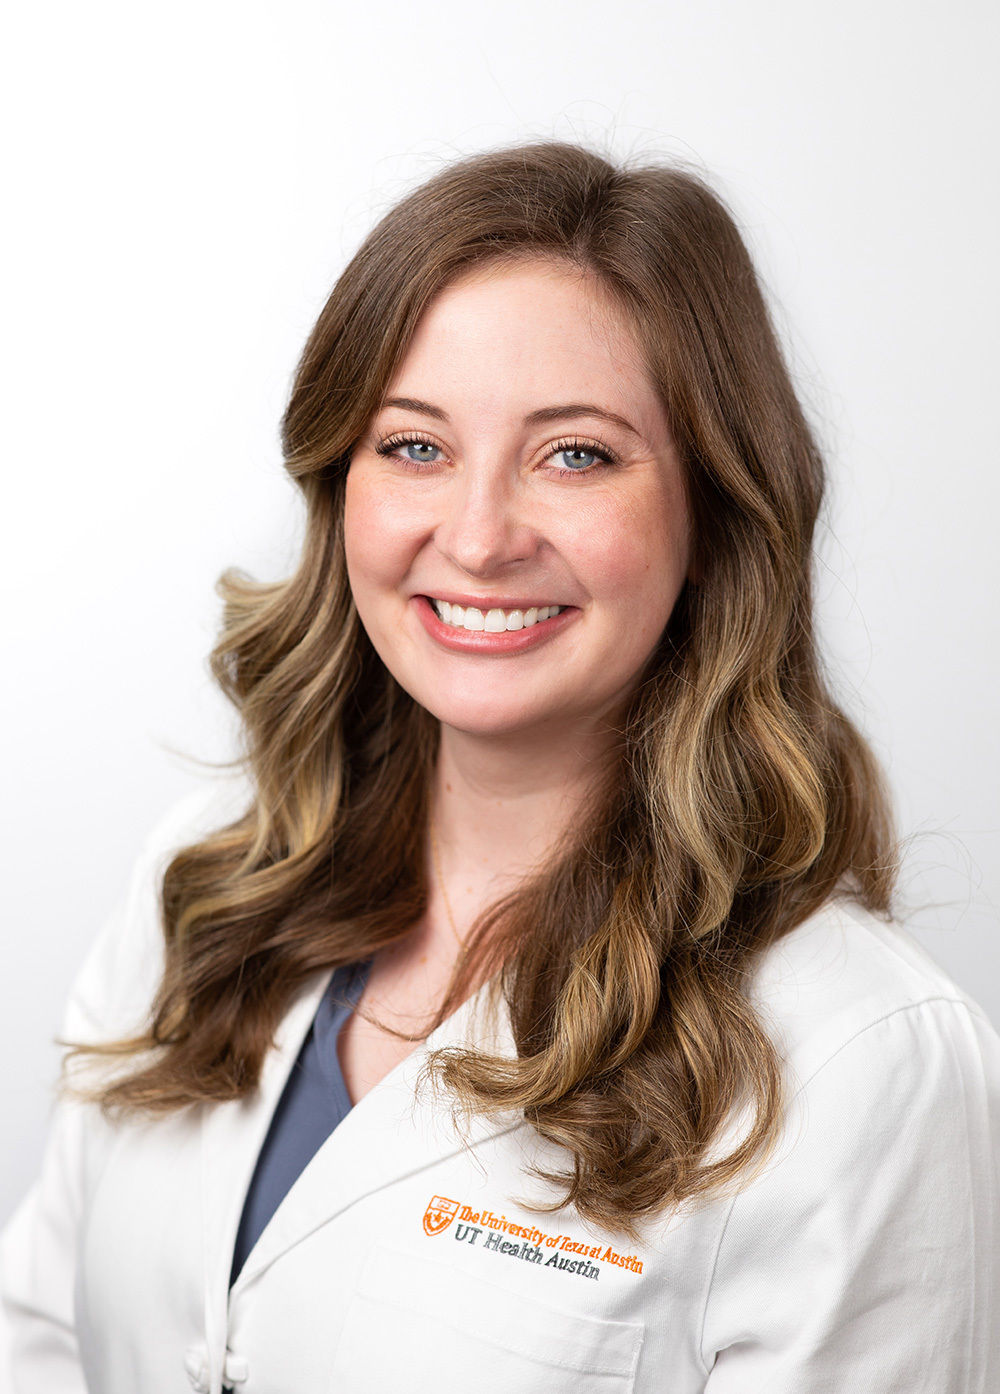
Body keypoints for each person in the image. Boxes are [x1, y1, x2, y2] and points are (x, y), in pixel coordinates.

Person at [1, 142, 997, 1394]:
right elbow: (37, 1334)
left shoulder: (858, 1056)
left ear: (714, 511)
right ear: (338, 484)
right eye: (412, 446)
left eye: (574, 453)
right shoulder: (208, 886)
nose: (475, 537)